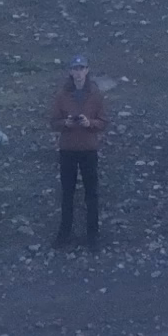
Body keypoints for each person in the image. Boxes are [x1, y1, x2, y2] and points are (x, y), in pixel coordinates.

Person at [49, 52, 110, 247]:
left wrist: (89, 123)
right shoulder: (61, 95)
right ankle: (64, 233)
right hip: (67, 150)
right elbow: (52, 121)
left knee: (91, 193)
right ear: (70, 72)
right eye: (75, 69)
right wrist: (65, 123)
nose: (78, 73)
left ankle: (93, 235)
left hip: (88, 150)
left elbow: (104, 121)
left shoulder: (96, 95)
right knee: (67, 193)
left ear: (87, 70)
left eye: (81, 68)